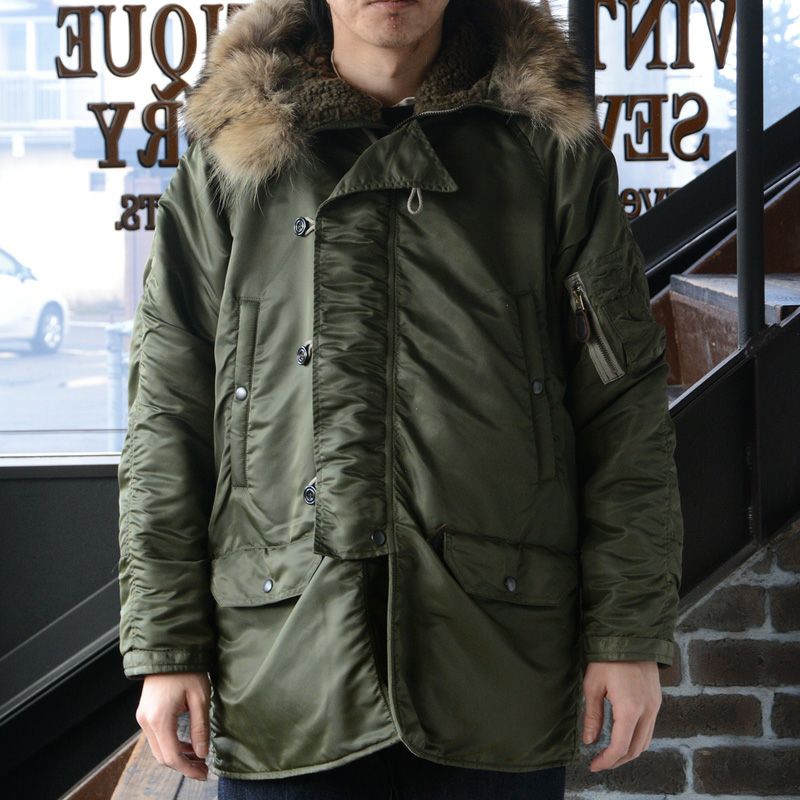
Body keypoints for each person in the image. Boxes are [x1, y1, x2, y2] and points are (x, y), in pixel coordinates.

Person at [117, 0, 684, 798]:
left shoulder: (550, 153)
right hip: (284, 664)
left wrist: (626, 634)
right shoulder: (232, 160)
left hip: (496, 659)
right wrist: (166, 645)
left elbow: (621, 410)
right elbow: (167, 413)